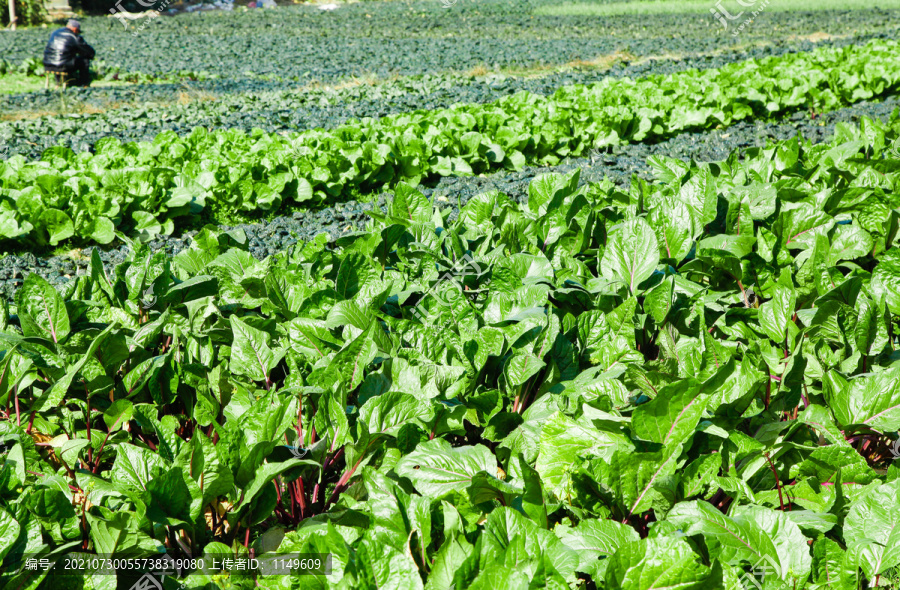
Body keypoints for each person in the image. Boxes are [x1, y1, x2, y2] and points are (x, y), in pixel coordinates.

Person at [43, 19, 95, 88]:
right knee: (84, 61)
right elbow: (88, 50)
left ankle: (58, 82)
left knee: (59, 59)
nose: (78, 33)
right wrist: (90, 55)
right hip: (63, 66)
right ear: (75, 29)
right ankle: (84, 84)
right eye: (78, 31)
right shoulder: (74, 36)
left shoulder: (55, 33)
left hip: (47, 64)